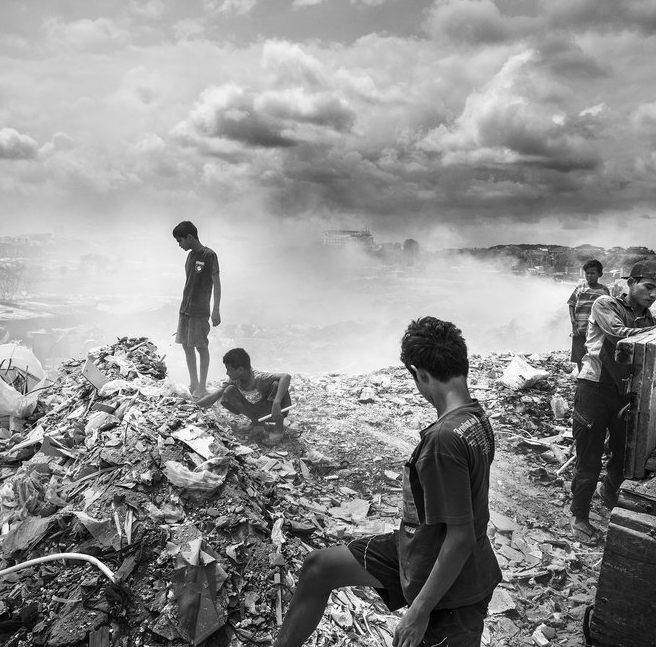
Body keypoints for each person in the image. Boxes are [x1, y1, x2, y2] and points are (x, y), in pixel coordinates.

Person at [274, 317, 501, 647]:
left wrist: (418, 611)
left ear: (420, 374)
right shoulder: (475, 418)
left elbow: (461, 537)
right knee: (318, 568)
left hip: (453, 591)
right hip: (417, 547)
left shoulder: (444, 440)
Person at [570, 260, 656, 541]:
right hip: (594, 389)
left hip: (624, 391)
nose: (653, 295)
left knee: (623, 452)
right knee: (589, 457)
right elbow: (619, 335)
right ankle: (579, 516)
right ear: (630, 284)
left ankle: (608, 491)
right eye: (648, 287)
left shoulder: (649, 319)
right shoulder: (605, 304)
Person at [195, 348, 292, 446]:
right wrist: (194, 406)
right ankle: (257, 423)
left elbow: (286, 376)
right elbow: (214, 396)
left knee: (276, 384)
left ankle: (279, 427)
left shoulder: (259, 377)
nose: (227, 373)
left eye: (229, 370)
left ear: (241, 369)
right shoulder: (233, 379)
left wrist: (276, 403)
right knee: (228, 391)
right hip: (260, 410)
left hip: (276, 410)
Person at [173, 221, 221, 399]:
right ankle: (193, 382)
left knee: (201, 347)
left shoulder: (209, 255)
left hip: (200, 311)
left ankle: (202, 386)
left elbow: (217, 284)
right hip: (185, 309)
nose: (179, 245)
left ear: (190, 237)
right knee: (186, 346)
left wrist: (216, 310)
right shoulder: (190, 256)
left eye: (180, 241)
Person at [567, 259, 611, 372]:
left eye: (593, 273)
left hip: (596, 331)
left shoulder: (604, 290)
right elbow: (571, 304)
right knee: (579, 356)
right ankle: (581, 377)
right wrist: (573, 322)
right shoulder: (580, 288)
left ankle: (590, 377)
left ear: (599, 274)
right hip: (579, 329)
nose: (590, 276)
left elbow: (608, 309)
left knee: (594, 354)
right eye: (587, 273)